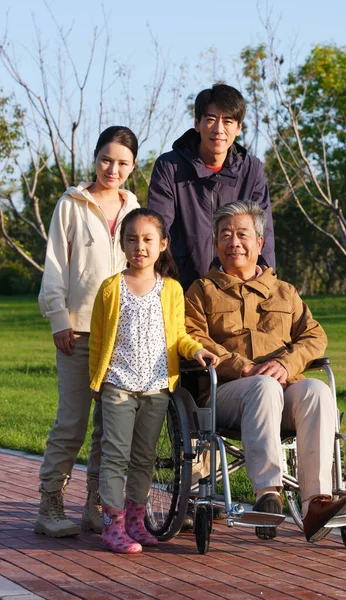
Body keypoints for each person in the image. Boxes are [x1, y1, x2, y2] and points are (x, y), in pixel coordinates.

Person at [185, 200, 346, 543]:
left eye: (242, 234)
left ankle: (316, 502)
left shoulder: (285, 292)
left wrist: (286, 363)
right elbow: (192, 335)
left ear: (259, 243)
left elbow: (314, 335)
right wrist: (242, 366)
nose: (234, 241)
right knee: (262, 386)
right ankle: (268, 494)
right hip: (229, 391)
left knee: (318, 391)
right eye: (225, 235)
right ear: (216, 243)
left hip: (283, 387)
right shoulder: (202, 291)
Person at [89, 208, 219, 554]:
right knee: (115, 456)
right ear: (122, 244)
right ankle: (112, 527)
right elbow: (99, 341)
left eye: (147, 239)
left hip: (157, 386)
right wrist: (96, 383)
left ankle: (135, 522)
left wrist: (197, 351)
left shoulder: (173, 290)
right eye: (131, 239)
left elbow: (178, 336)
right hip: (118, 384)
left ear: (163, 244)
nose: (139, 247)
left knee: (144, 457)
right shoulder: (111, 288)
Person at [36, 126, 141, 538]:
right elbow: (56, 266)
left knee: (110, 426)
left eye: (122, 163)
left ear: (133, 166)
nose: (112, 169)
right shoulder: (71, 204)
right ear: (95, 157)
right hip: (77, 331)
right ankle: (49, 505)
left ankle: (96, 507)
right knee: (73, 422)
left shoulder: (134, 207)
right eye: (105, 159)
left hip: (121, 332)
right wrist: (59, 318)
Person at [147, 83, 276, 292]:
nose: (219, 129)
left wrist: (266, 285)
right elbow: (158, 229)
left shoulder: (252, 170)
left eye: (228, 121)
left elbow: (264, 233)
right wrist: (161, 284)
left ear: (239, 127)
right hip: (182, 288)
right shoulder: (169, 167)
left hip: (239, 289)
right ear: (197, 123)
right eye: (211, 120)